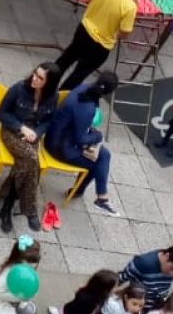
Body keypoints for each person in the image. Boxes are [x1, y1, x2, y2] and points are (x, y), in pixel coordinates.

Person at [55, 0, 150, 93]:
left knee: (65, 59)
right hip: (101, 47)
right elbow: (124, 33)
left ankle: (44, 84)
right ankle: (59, 98)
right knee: (78, 75)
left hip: (84, 31)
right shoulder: (130, 6)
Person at [0, 63, 60, 233]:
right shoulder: (18, 89)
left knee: (25, 164)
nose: (34, 78)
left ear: (49, 83)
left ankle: (7, 206)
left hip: (32, 135)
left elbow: (49, 120)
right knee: (33, 161)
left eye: (40, 78)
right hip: (11, 131)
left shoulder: (53, 97)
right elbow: (2, 113)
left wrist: (37, 133)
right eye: (35, 74)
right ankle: (29, 209)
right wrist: (21, 128)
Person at [45, 72, 120, 217]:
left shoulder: (83, 87)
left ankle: (101, 197)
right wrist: (97, 136)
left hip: (57, 135)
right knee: (96, 166)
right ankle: (82, 193)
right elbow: (80, 139)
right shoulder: (88, 108)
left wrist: (90, 135)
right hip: (59, 147)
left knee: (104, 154)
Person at [0, 236, 43, 314]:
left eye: (35, 262)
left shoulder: (28, 270)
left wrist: (32, 292)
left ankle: (19, 309)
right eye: (29, 262)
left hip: (19, 296)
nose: (32, 266)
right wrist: (18, 298)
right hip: (4, 299)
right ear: (18, 259)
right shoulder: (8, 274)